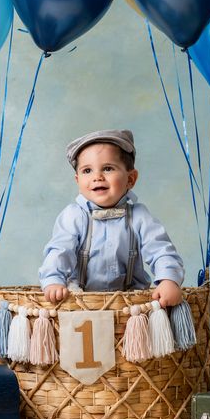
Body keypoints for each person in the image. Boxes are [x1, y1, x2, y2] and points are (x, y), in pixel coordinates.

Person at [39, 129, 184, 306]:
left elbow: (160, 249)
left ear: (131, 179)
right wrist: (54, 280)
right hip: (81, 301)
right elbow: (60, 251)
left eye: (108, 168)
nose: (97, 177)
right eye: (87, 171)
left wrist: (169, 280)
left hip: (130, 303)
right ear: (77, 181)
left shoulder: (139, 216)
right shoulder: (73, 216)